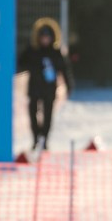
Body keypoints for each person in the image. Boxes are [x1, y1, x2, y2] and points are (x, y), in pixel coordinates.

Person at [17, 19, 73, 151]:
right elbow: (20, 63)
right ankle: (36, 138)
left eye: (47, 37)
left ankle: (45, 139)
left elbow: (64, 70)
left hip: (49, 89)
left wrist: (69, 85)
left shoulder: (56, 52)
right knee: (33, 113)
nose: (45, 40)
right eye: (43, 37)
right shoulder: (31, 51)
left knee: (48, 115)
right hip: (34, 87)